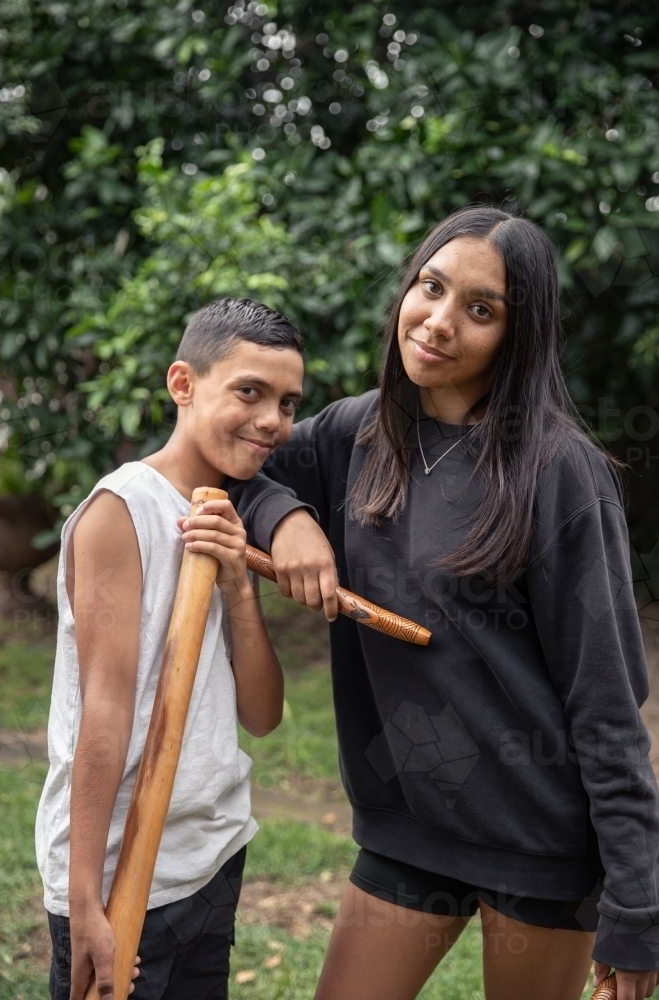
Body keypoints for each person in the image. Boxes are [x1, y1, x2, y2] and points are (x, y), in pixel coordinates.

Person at [220, 207, 659, 1000]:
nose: (439, 322)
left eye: (480, 310)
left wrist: (637, 905)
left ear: (515, 337)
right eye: (431, 287)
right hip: (408, 825)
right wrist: (286, 522)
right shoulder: (360, 431)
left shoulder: (558, 473)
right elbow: (237, 464)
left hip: (539, 840)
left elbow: (606, 703)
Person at [36, 298, 305, 1000]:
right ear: (182, 384)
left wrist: (241, 588)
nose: (272, 419)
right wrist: (87, 898)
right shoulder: (120, 510)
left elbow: (264, 714)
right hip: (123, 871)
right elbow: (104, 708)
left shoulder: (226, 514)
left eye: (287, 401)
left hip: (209, 856)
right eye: (249, 391)